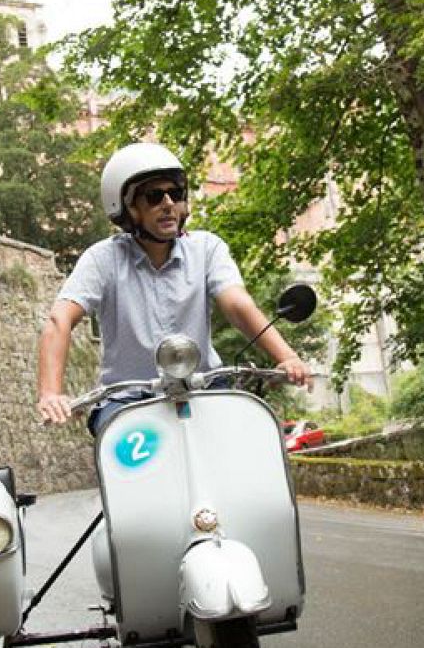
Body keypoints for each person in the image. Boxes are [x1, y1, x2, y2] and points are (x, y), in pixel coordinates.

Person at [36, 142, 311, 433]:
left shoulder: (207, 249)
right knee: (123, 460)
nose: (168, 204)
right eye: (154, 197)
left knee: (244, 441)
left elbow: (237, 305)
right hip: (128, 401)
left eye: (175, 194)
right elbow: (60, 319)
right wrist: (51, 392)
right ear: (129, 208)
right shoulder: (102, 259)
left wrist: (286, 357)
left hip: (203, 387)